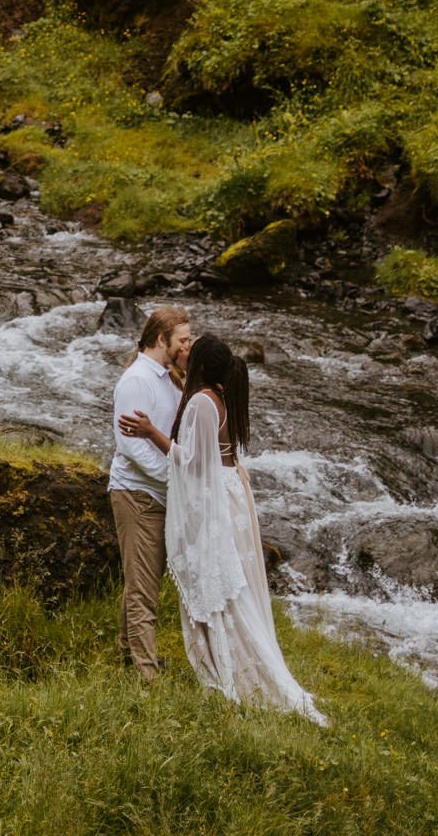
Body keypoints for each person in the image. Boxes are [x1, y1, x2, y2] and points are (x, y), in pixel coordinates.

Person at [121, 332, 326, 723]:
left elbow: (193, 463)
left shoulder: (200, 402)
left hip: (216, 496)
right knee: (233, 583)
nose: (184, 352)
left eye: (190, 349)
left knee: (219, 582)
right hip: (231, 490)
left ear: (199, 363)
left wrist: (152, 433)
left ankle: (233, 665)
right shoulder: (221, 392)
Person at [107, 306, 192, 681]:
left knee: (143, 579)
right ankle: (146, 675)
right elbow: (131, 448)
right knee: (143, 590)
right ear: (162, 340)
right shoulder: (136, 381)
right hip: (136, 494)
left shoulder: (168, 377)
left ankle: (128, 650)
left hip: (158, 493)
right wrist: (173, 480)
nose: (188, 346)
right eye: (183, 340)